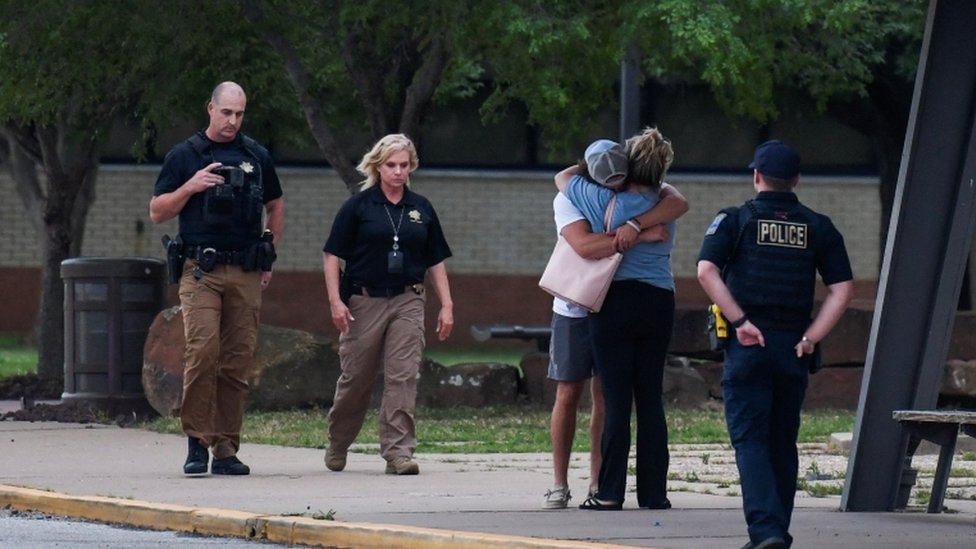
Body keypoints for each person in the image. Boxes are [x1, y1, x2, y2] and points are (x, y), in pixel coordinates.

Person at [696, 140, 853, 549]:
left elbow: (707, 272)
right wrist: (812, 337)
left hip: (749, 345)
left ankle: (766, 531)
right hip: (793, 349)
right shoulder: (819, 226)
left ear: (756, 176)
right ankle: (775, 532)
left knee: (750, 439)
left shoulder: (736, 220)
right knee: (782, 440)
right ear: (797, 180)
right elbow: (842, 289)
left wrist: (741, 321)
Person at [543, 139, 688, 510]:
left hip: (615, 300)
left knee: (617, 398)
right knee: (651, 399)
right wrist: (641, 229)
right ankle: (654, 493)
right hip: (659, 298)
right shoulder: (663, 202)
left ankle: (609, 492)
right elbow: (680, 200)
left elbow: (562, 177)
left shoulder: (597, 198)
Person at [149, 81, 285, 476]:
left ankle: (226, 449)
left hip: (245, 269)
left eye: (240, 114)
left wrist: (269, 254)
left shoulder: (256, 155)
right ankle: (196, 442)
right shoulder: (185, 155)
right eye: (226, 112)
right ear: (210, 108)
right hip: (200, 271)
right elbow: (157, 210)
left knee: (237, 360)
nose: (233, 121)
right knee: (203, 351)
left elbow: (275, 205)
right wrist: (190, 187)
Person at [322, 133, 454, 476]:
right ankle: (338, 441)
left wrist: (447, 304)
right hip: (364, 299)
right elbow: (332, 254)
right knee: (357, 378)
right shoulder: (359, 206)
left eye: (404, 165)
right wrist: (336, 300)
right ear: (378, 167)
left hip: (409, 298)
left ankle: (398, 452)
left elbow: (435, 259)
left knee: (403, 376)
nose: (398, 172)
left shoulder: (420, 209)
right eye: (391, 165)